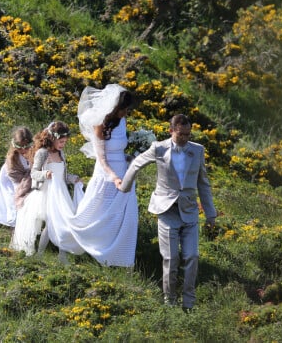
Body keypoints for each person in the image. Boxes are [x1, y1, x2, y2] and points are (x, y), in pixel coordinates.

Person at [117, 114, 217, 312]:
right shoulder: (158, 148)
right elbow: (137, 163)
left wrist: (210, 213)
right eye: (181, 134)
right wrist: (125, 186)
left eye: (188, 134)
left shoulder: (197, 151)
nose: (185, 138)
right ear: (171, 131)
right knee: (171, 259)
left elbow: (203, 183)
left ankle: (188, 302)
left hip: (189, 211)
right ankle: (169, 301)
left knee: (192, 256)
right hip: (166, 210)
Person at [72, 84, 139, 267]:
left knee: (123, 215)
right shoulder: (99, 123)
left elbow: (119, 149)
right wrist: (114, 177)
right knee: (98, 213)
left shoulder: (122, 121)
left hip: (123, 172)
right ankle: (94, 250)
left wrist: (131, 159)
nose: (125, 113)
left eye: (127, 110)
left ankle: (118, 256)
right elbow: (102, 159)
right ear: (115, 107)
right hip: (106, 174)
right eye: (123, 109)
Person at [10, 121, 84, 263]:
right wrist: (45, 175)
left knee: (63, 223)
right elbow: (34, 173)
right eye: (61, 141)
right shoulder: (43, 153)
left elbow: (62, 175)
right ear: (52, 138)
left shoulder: (61, 154)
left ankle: (61, 254)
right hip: (47, 193)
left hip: (60, 193)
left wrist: (74, 179)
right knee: (52, 222)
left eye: (65, 142)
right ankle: (41, 253)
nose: (63, 145)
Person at [0, 126, 34, 227]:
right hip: (12, 183)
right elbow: (16, 180)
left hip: (28, 180)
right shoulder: (12, 160)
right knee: (13, 203)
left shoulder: (33, 153)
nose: (23, 150)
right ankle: (16, 227)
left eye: (26, 147)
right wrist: (30, 179)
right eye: (20, 147)